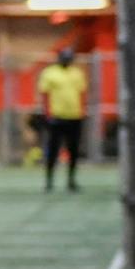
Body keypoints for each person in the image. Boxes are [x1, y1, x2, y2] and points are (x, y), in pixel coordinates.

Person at [36, 46, 87, 192]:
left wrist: (82, 111)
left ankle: (71, 180)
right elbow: (45, 94)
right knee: (53, 149)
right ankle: (49, 180)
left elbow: (82, 93)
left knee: (74, 150)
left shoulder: (77, 73)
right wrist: (48, 113)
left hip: (74, 116)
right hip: (56, 116)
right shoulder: (49, 73)